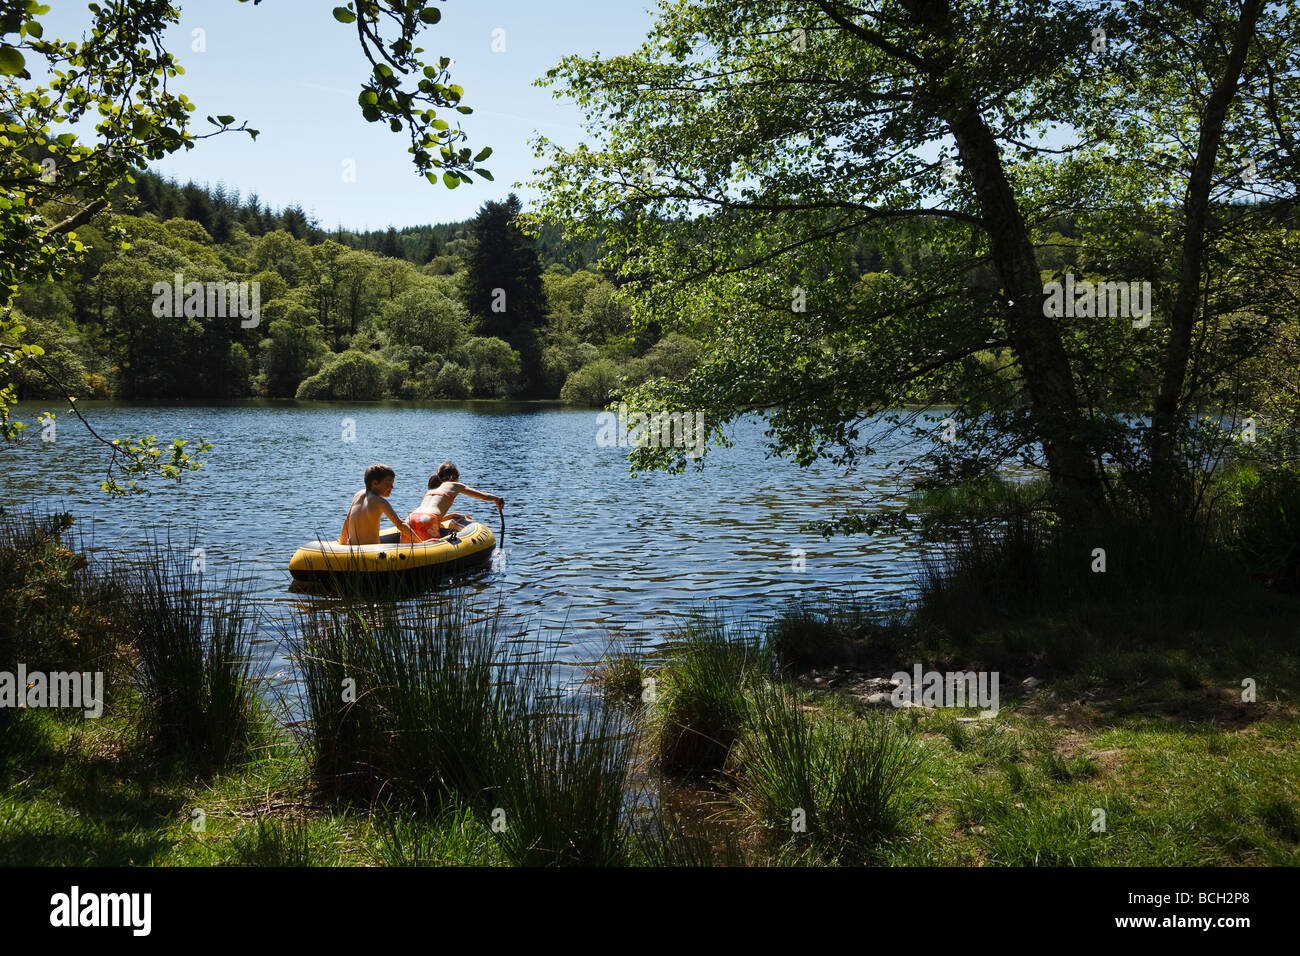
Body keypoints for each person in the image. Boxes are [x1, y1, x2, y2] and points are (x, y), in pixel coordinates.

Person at [405, 462, 504, 542]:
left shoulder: (432, 489)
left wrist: (452, 515)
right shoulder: (454, 485)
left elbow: (424, 516)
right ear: (454, 477)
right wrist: (497, 499)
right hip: (429, 519)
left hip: (410, 518)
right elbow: (484, 496)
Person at [338, 463, 415, 545]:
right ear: (375, 483)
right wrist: (421, 543)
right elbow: (400, 524)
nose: (392, 487)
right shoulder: (380, 502)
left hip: (352, 548)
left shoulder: (358, 495)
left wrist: (342, 542)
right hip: (370, 551)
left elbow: (347, 521)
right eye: (388, 483)